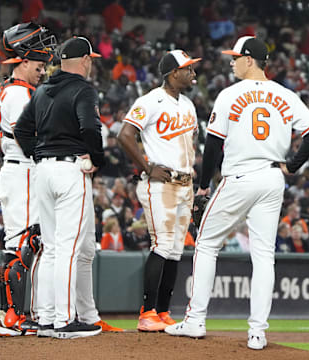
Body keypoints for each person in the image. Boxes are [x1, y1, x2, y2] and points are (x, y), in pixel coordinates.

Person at [165, 36, 309, 350]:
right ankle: (258, 333)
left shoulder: (229, 94)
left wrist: (204, 185)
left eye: (236, 57)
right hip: (272, 177)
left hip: (240, 176)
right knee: (264, 256)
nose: (232, 62)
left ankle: (195, 320)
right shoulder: (285, 94)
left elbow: (212, 146)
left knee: (207, 243)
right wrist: (292, 165)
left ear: (249, 60)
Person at [13, 36, 117, 339]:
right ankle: (64, 320)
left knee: (53, 248)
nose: (91, 63)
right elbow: (89, 127)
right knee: (69, 249)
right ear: (84, 59)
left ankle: (46, 319)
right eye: (90, 59)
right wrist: (97, 159)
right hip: (71, 169)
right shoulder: (82, 89)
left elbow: (21, 129)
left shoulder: (43, 88)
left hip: (43, 171)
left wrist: (40, 154)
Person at [118, 49, 201, 331]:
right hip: (160, 183)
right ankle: (147, 311)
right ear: (173, 73)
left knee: (176, 249)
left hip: (184, 181)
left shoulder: (189, 104)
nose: (193, 73)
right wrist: (145, 166)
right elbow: (125, 134)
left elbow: (191, 145)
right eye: (188, 69)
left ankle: (163, 311)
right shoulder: (151, 100)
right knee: (163, 245)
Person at [0, 22, 56, 337]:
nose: (42, 68)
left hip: (20, 170)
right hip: (23, 170)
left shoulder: (17, 90)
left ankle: (16, 314)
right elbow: (28, 135)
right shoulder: (18, 93)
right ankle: (9, 316)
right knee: (21, 242)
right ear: (21, 60)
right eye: (38, 64)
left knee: (26, 242)